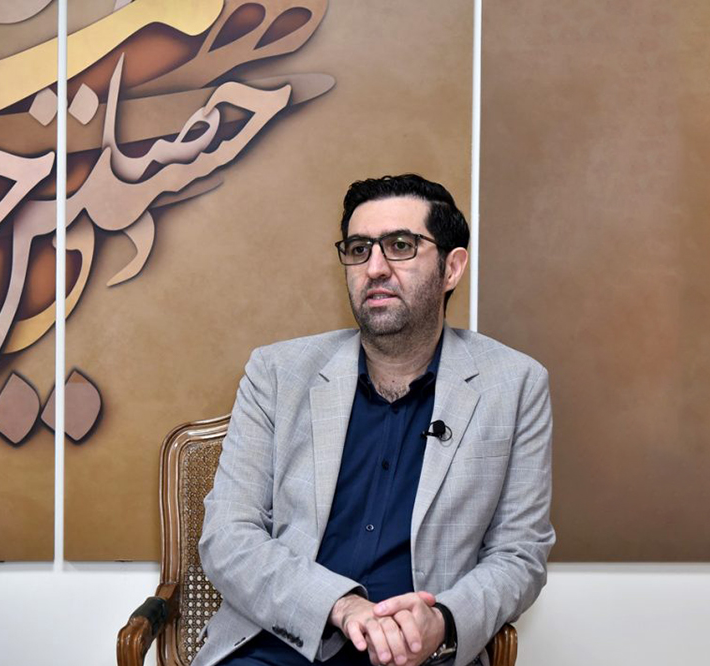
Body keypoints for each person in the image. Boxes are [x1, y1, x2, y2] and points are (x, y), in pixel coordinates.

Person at [193, 174, 554, 666]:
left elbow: (519, 555)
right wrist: (341, 606)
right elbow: (228, 536)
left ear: (451, 268)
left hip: (417, 655)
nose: (375, 268)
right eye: (359, 249)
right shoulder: (277, 373)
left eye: (401, 246)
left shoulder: (515, 384)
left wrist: (443, 622)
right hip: (279, 645)